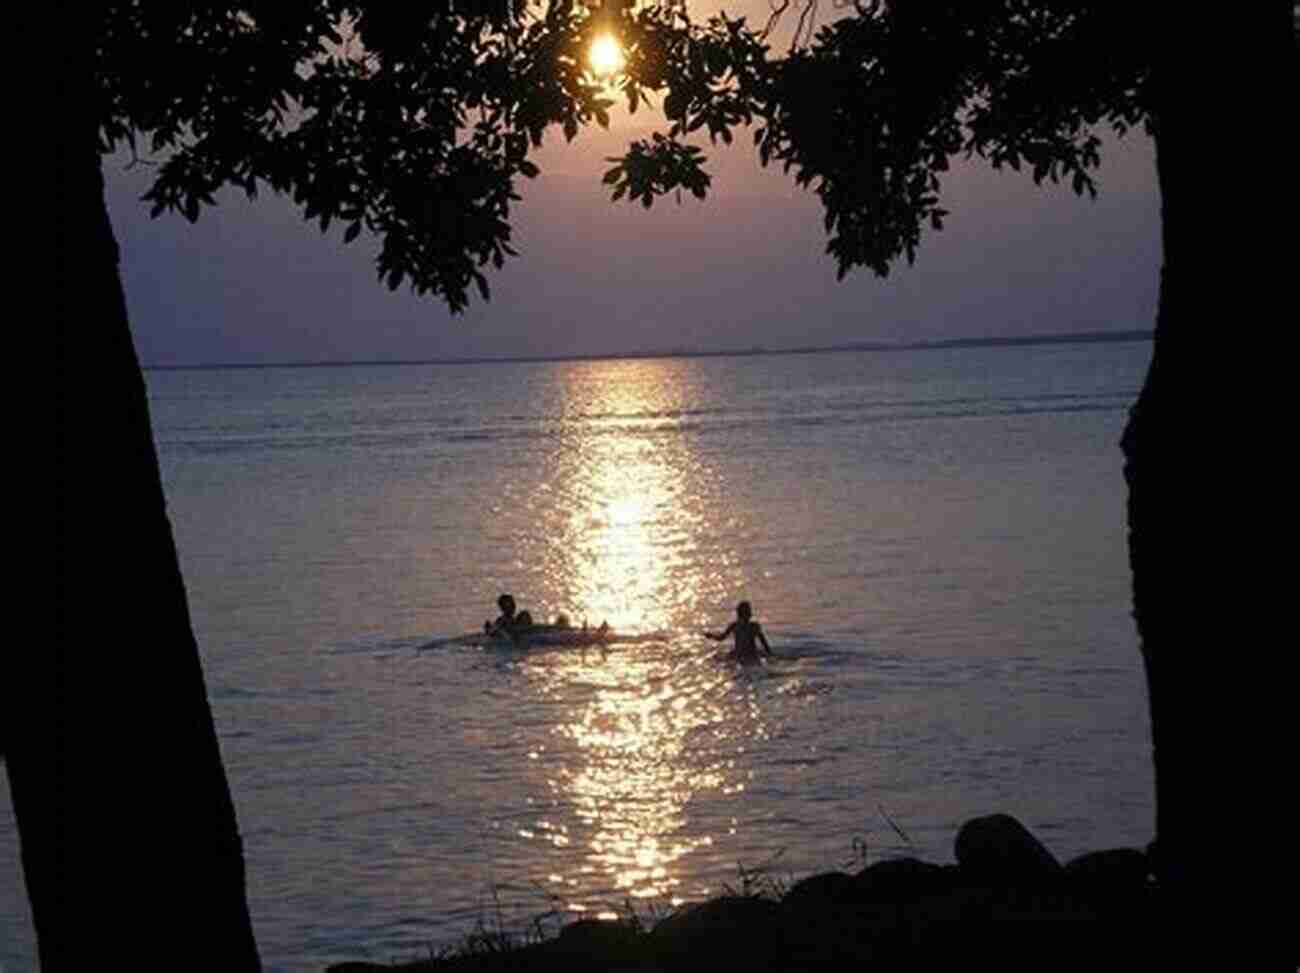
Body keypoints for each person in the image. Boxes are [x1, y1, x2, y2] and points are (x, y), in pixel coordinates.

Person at [703, 600, 773, 664]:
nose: (747, 615)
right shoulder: (738, 625)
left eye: (747, 612)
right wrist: (711, 636)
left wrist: (769, 653)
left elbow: (763, 642)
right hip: (743, 654)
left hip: (747, 654)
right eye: (747, 612)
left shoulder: (752, 626)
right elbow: (721, 637)